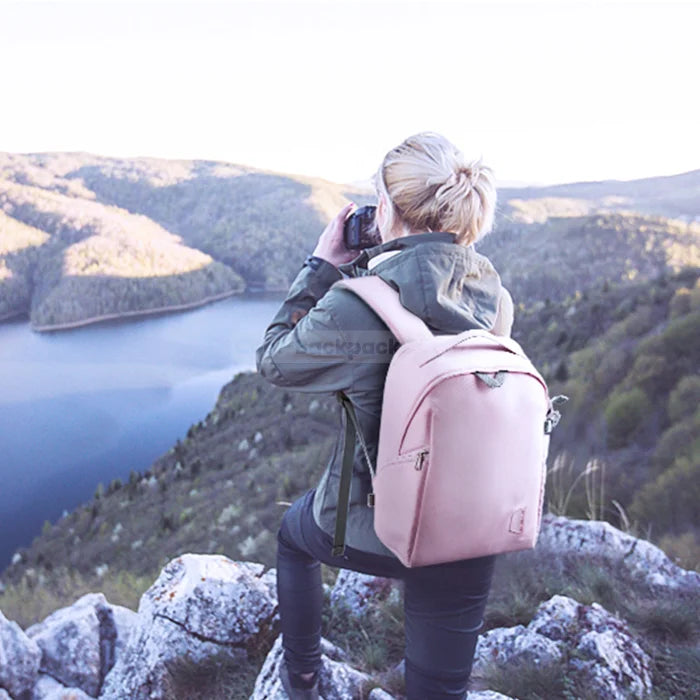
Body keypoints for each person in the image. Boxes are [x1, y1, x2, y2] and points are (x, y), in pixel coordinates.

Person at [255, 132, 513, 700]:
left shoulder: (360, 302)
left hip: (380, 529)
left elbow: (274, 361)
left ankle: (301, 677)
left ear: (389, 209)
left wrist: (322, 266)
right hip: (475, 525)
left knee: (294, 537)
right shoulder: (494, 295)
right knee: (437, 691)